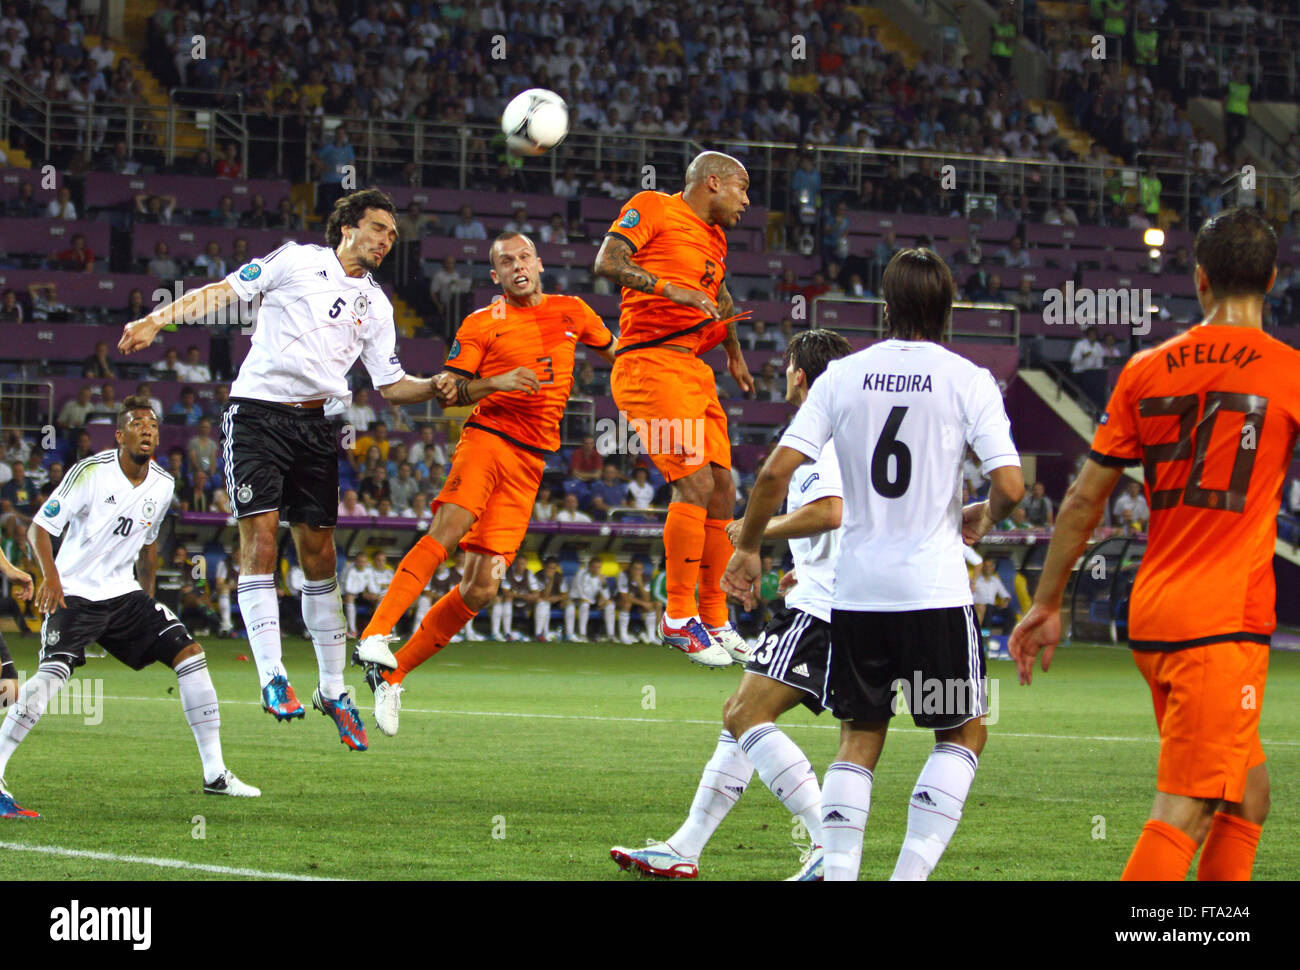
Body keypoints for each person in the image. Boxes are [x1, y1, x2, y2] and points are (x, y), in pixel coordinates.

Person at [1010, 208, 1294, 881]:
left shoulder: (1146, 369)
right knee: (1187, 809)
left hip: (1156, 612)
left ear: (1200, 280)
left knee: (1247, 795)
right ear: (1273, 280)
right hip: (1221, 623)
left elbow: (1082, 501)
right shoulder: (1288, 372)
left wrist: (1046, 602)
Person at [723, 249, 1025, 881]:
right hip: (934, 592)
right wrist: (983, 513)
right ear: (948, 311)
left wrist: (748, 546)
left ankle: (839, 873)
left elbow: (774, 474)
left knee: (859, 737)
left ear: (885, 310)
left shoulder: (843, 376)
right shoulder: (968, 378)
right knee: (962, 733)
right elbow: (1011, 486)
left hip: (858, 596)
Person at [118, 188, 440, 750]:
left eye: (392, 235)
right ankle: (272, 675)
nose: (386, 241)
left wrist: (439, 385)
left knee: (321, 558)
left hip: (316, 426)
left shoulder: (378, 306)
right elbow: (223, 292)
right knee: (261, 543)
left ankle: (334, 690)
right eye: (377, 228)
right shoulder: (295, 260)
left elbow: (391, 385)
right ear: (347, 227)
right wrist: (157, 319)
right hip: (257, 416)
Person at [352, 231, 616, 737]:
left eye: (524, 257)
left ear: (539, 263)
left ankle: (393, 675)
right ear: (495, 276)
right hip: (488, 440)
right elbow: (450, 392)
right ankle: (375, 633)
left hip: (531, 463)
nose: (518, 266)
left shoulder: (574, 312)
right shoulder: (480, 323)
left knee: (482, 585)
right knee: (448, 529)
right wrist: (496, 382)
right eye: (506, 262)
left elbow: (618, 354)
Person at [613, 328, 851, 881]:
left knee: (745, 716)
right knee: (739, 717)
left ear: (799, 375)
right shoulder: (854, 433)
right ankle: (684, 846)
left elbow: (830, 510)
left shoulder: (818, 435)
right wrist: (811, 563)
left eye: (788, 366)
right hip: (836, 597)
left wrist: (754, 531)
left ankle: (825, 844)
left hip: (822, 610)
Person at [0, 398, 258, 817]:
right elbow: (39, 529)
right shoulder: (90, 472)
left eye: (153, 424)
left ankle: (215, 773)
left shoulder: (163, 484)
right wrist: (52, 577)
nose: (147, 430)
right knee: (51, 678)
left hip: (124, 594)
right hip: (75, 593)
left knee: (191, 655)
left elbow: (148, 545)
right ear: (120, 435)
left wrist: (148, 594)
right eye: (138, 424)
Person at [594, 151, 755, 668]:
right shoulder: (654, 206)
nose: (746, 202)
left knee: (724, 487)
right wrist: (670, 289)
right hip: (648, 363)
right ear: (714, 182)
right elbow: (608, 262)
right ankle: (678, 617)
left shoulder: (715, 238)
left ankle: (714, 615)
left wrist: (733, 352)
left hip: (692, 367)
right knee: (696, 483)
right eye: (742, 189)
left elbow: (719, 292)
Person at [563, 557, 615, 642]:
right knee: (585, 604)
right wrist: (584, 599)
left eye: (598, 567)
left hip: (592, 601)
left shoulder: (600, 577)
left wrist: (604, 584)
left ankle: (610, 635)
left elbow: (607, 595)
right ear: (590, 567)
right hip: (576, 598)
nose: (596, 569)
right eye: (594, 567)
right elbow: (579, 589)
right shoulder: (581, 573)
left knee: (610, 605)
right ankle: (582, 634)